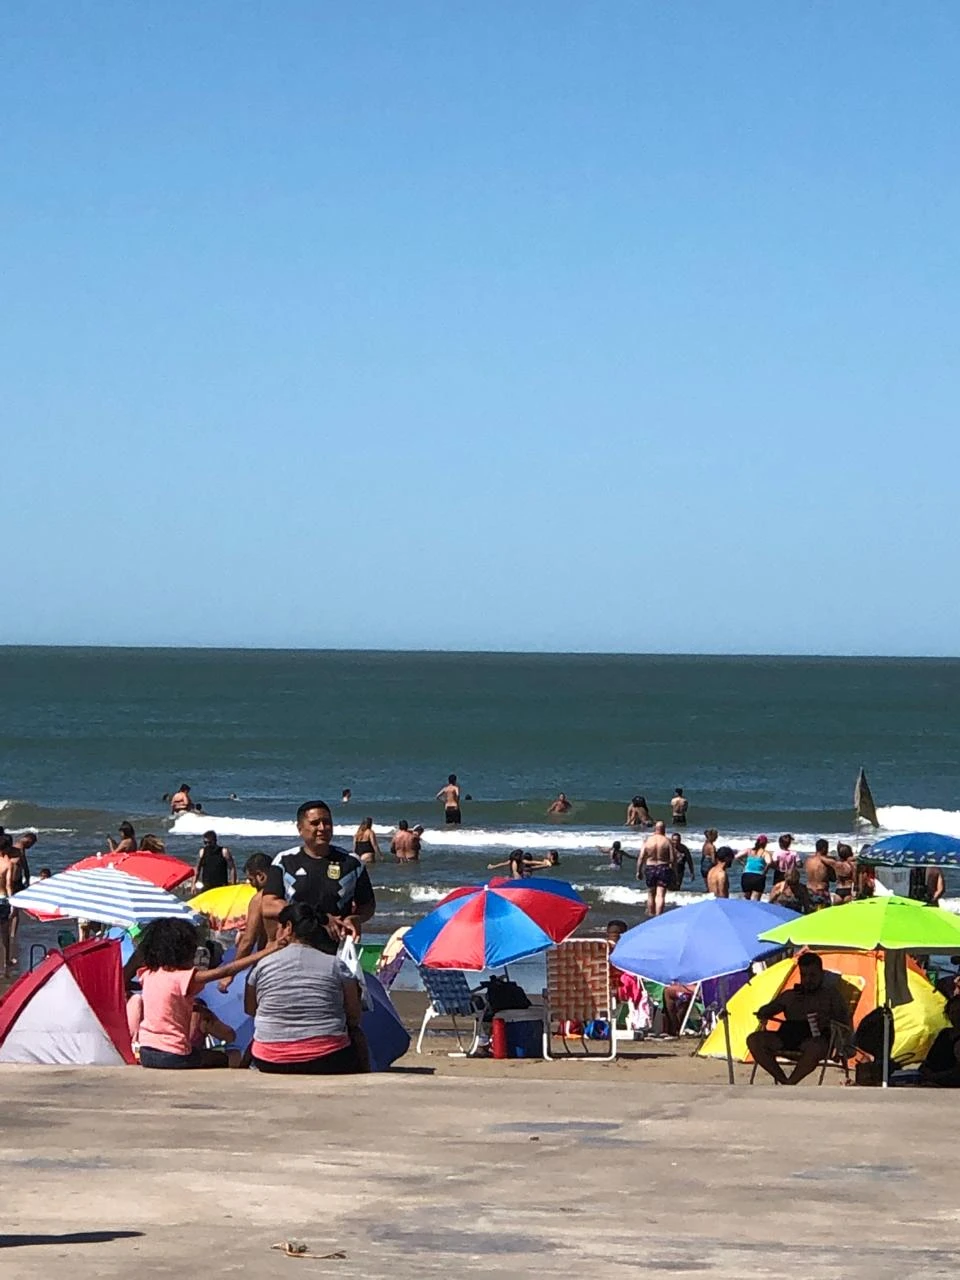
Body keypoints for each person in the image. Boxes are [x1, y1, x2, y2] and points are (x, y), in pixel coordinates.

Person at [127, 918, 273, 1069]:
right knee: (228, 1056)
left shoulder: (147, 974)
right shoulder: (183, 978)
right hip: (173, 1055)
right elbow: (227, 970)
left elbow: (131, 977)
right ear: (183, 952)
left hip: (146, 1053)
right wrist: (268, 951)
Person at [245, 902, 370, 1075]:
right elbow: (354, 1016)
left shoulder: (262, 966)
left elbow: (251, 1009)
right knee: (356, 1035)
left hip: (269, 1060)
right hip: (327, 1058)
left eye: (278, 927)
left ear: (288, 927)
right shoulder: (335, 965)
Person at [261, 801, 375, 953]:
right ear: (300, 828)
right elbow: (268, 905)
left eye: (327, 822)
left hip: (334, 949)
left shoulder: (352, 863)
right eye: (315, 823)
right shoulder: (285, 861)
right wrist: (320, 917)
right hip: (293, 946)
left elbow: (368, 906)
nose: (322, 828)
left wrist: (355, 919)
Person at [746, 952, 853, 1086]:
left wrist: (827, 1021)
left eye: (812, 975)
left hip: (814, 1038)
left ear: (821, 973)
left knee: (816, 1047)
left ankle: (791, 1082)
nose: (808, 979)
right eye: (804, 975)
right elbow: (765, 1011)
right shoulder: (791, 995)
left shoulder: (830, 995)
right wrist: (772, 1009)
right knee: (754, 1040)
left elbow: (845, 1021)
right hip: (788, 1035)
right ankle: (784, 1080)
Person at [218, 852, 275, 991]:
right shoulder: (291, 895)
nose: (252, 885)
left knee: (252, 1005)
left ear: (260, 876)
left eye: (251, 880)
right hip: (297, 960)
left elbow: (248, 941)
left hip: (268, 962)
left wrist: (230, 974)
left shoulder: (260, 899)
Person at [919, 997, 960, 1087]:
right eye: (952, 1012)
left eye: (958, 1012)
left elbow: (957, 1072)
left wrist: (934, 1077)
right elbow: (929, 1060)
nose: (955, 1016)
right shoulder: (944, 1033)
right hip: (931, 1081)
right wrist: (925, 1070)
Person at [637, 821, 674, 918]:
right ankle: (659, 916)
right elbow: (672, 859)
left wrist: (638, 871)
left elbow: (641, 857)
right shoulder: (667, 841)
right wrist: (674, 872)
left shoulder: (648, 841)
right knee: (660, 894)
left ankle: (651, 914)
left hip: (650, 867)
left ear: (655, 829)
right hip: (663, 867)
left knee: (650, 893)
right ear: (664, 829)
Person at [9, 831, 37, 947]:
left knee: (13, 909)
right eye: (32, 844)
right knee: (15, 911)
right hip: (15, 882)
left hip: (10, 881)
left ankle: (11, 933)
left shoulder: (14, 847)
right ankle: (12, 935)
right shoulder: (20, 849)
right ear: (29, 841)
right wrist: (28, 881)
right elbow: (25, 868)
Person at [803, 839, 836, 910]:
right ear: (824, 849)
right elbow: (833, 878)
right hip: (821, 892)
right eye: (827, 848)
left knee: (810, 915)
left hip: (809, 891)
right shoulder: (826, 863)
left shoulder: (808, 860)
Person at [736, 836, 771, 901]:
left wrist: (744, 864)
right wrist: (765, 872)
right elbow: (769, 862)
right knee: (756, 901)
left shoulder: (749, 850)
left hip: (747, 875)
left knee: (747, 900)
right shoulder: (765, 853)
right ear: (765, 844)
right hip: (758, 876)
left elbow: (736, 857)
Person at [0, 835, 15, 976]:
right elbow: (9, 885)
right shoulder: (8, 864)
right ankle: (6, 961)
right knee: (4, 933)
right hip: (3, 899)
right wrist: (13, 904)